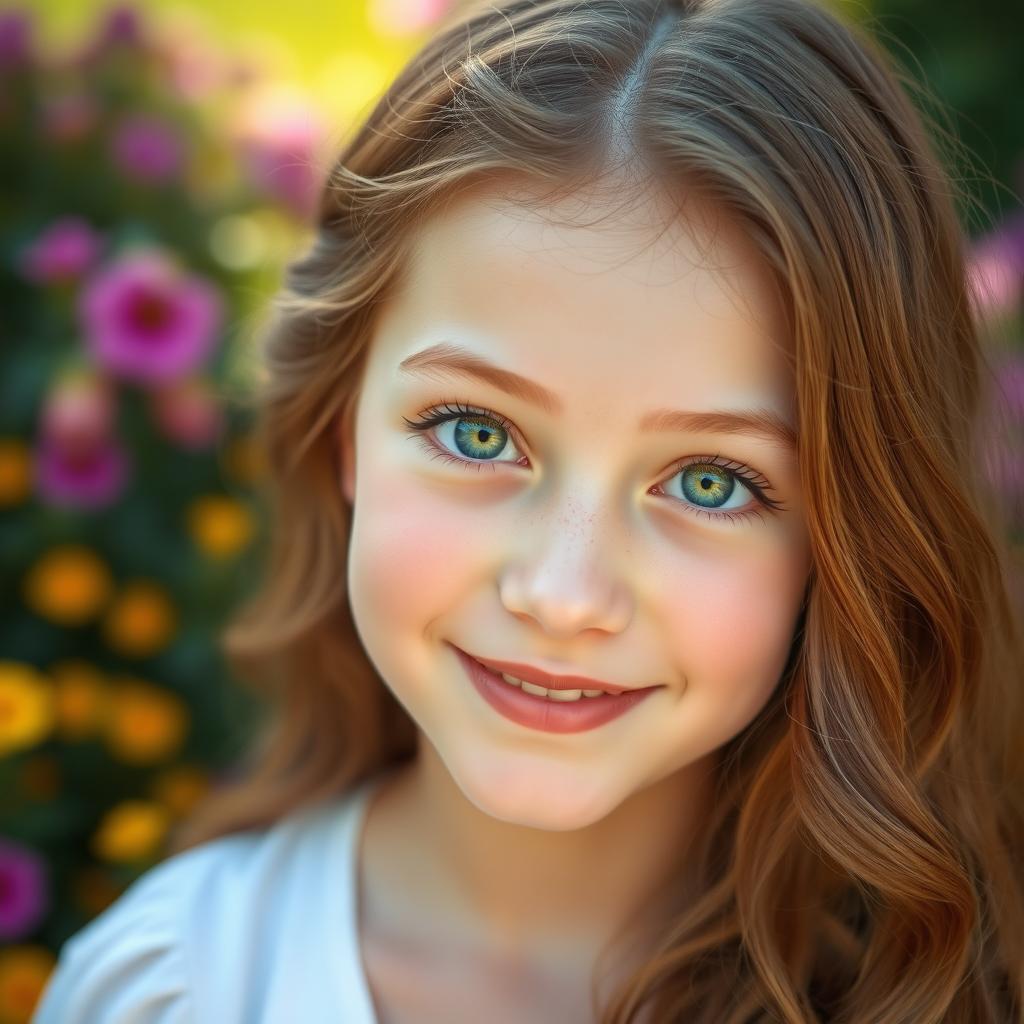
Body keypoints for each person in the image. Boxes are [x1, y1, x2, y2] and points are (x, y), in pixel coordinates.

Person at [32, 0, 1024, 1021]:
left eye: (710, 482)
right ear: (344, 432)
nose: (560, 595)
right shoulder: (175, 989)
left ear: (845, 534)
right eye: (475, 432)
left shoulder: (951, 988)